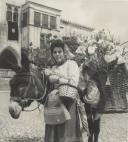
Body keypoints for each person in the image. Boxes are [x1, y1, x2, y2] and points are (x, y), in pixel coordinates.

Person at [43, 39, 88, 142]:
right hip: (53, 104)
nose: (57, 54)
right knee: (53, 131)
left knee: (66, 133)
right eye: (55, 52)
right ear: (52, 54)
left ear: (64, 52)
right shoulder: (53, 67)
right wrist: (47, 77)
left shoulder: (71, 64)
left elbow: (73, 82)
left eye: (60, 51)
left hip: (68, 101)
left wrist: (58, 79)